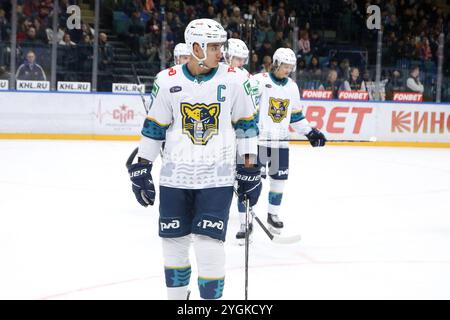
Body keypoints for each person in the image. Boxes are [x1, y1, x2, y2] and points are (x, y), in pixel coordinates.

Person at [127, 19, 261, 300]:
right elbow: (154, 127)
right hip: (175, 176)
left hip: (218, 176)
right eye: (213, 47)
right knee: (173, 244)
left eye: (220, 46)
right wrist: (142, 167)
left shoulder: (237, 79)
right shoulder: (167, 80)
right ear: (196, 47)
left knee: (207, 245)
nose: (219, 53)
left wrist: (250, 169)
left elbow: (247, 126)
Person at [243, 48, 326, 235]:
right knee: (251, 182)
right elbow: (247, 109)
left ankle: (273, 214)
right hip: (259, 142)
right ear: (276, 63)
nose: (287, 70)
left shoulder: (292, 86)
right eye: (285, 66)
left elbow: (295, 116)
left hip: (280, 144)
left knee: (279, 180)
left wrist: (310, 133)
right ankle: (245, 220)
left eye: (290, 66)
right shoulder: (259, 80)